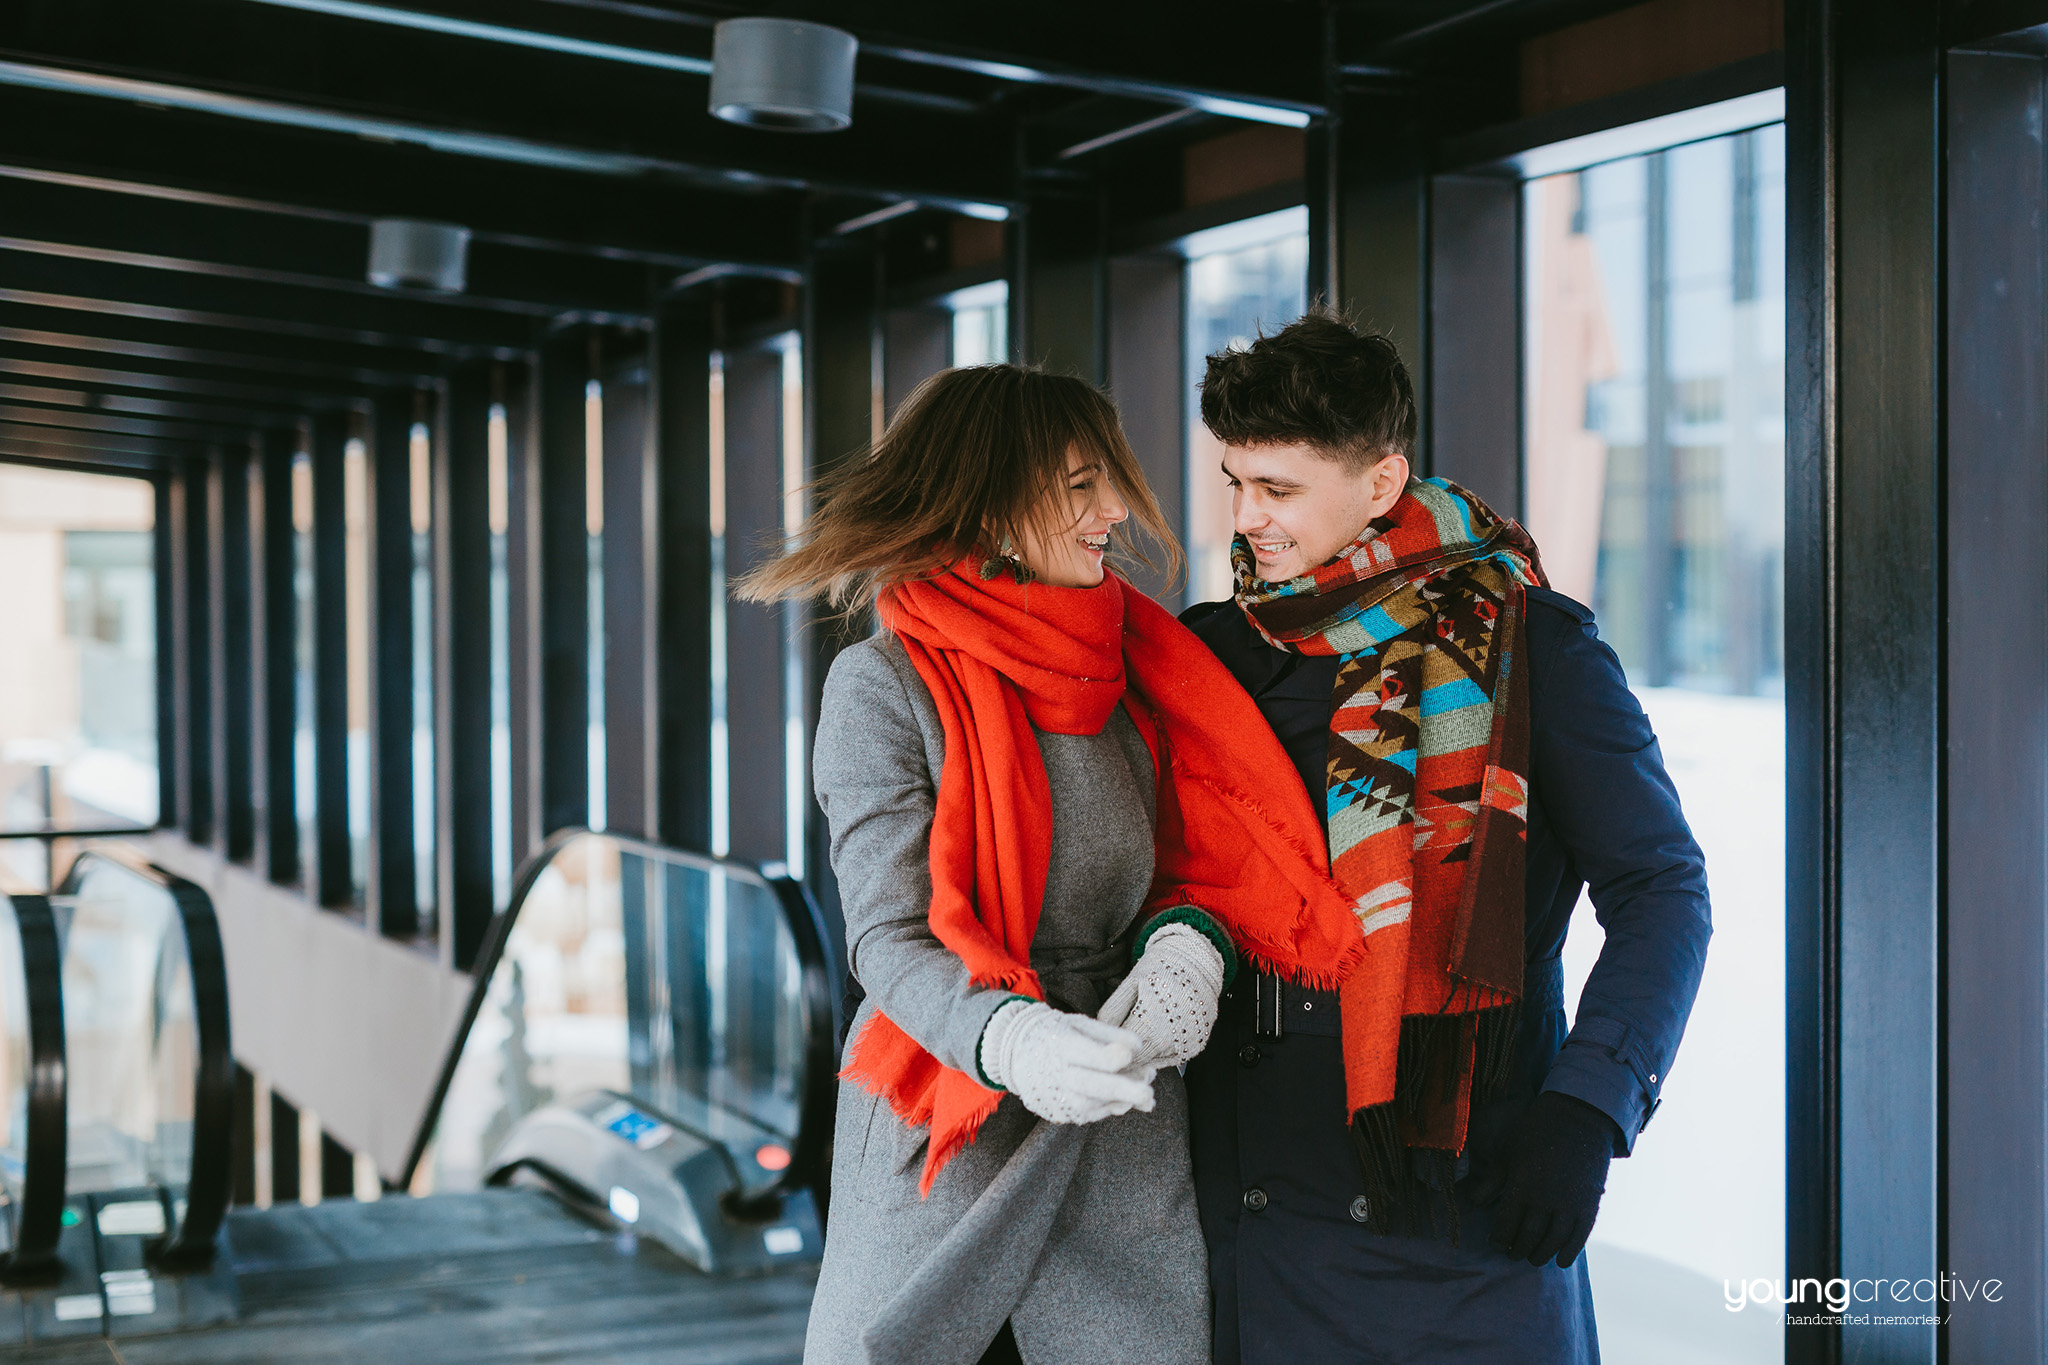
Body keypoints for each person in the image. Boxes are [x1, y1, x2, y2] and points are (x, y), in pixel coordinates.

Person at [737, 364, 1369, 1365]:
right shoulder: (880, 685)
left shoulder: (1123, 668)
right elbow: (884, 937)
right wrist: (1010, 1041)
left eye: (1107, 481)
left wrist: (1184, 953)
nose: (1114, 511)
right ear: (986, 496)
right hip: (950, 1120)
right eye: (1081, 486)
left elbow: (1182, 870)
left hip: (1116, 1119)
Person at [1178, 311, 1712, 1364]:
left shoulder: (1530, 647)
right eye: (1233, 480)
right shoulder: (1210, 650)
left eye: (1276, 489)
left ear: (1378, 484)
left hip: (1451, 1206)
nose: (1245, 519)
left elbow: (1661, 888)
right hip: (1246, 1212)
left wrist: (1589, 1108)